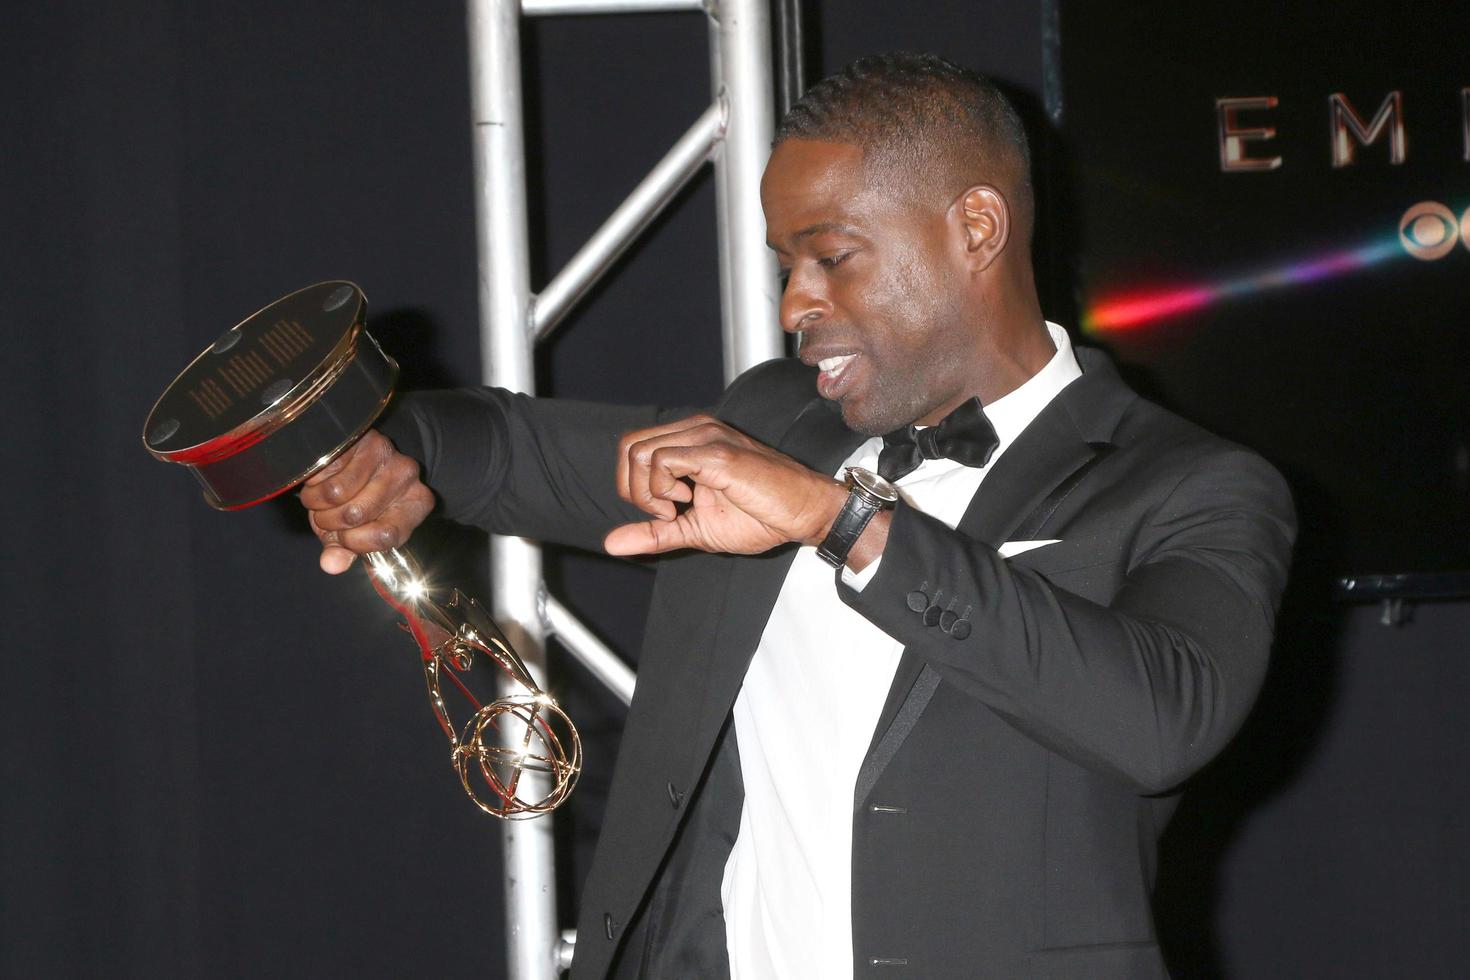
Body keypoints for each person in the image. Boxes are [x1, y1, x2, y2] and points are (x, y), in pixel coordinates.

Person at [301, 53, 1294, 980]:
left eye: (832, 257)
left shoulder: (1185, 485)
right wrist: (390, 448)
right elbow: (510, 450)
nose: (793, 303)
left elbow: (1163, 718)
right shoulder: (775, 422)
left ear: (977, 229)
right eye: (785, 264)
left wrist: (839, 519)